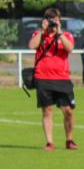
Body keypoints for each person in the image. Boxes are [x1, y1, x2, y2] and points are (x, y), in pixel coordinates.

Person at [28, 8, 77, 151]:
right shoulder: (39, 34)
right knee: (47, 110)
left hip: (62, 78)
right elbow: (32, 45)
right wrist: (43, 31)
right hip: (43, 78)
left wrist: (59, 32)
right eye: (51, 20)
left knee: (68, 110)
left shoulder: (66, 35)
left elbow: (70, 48)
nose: (53, 23)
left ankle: (69, 139)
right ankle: (49, 142)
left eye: (56, 20)